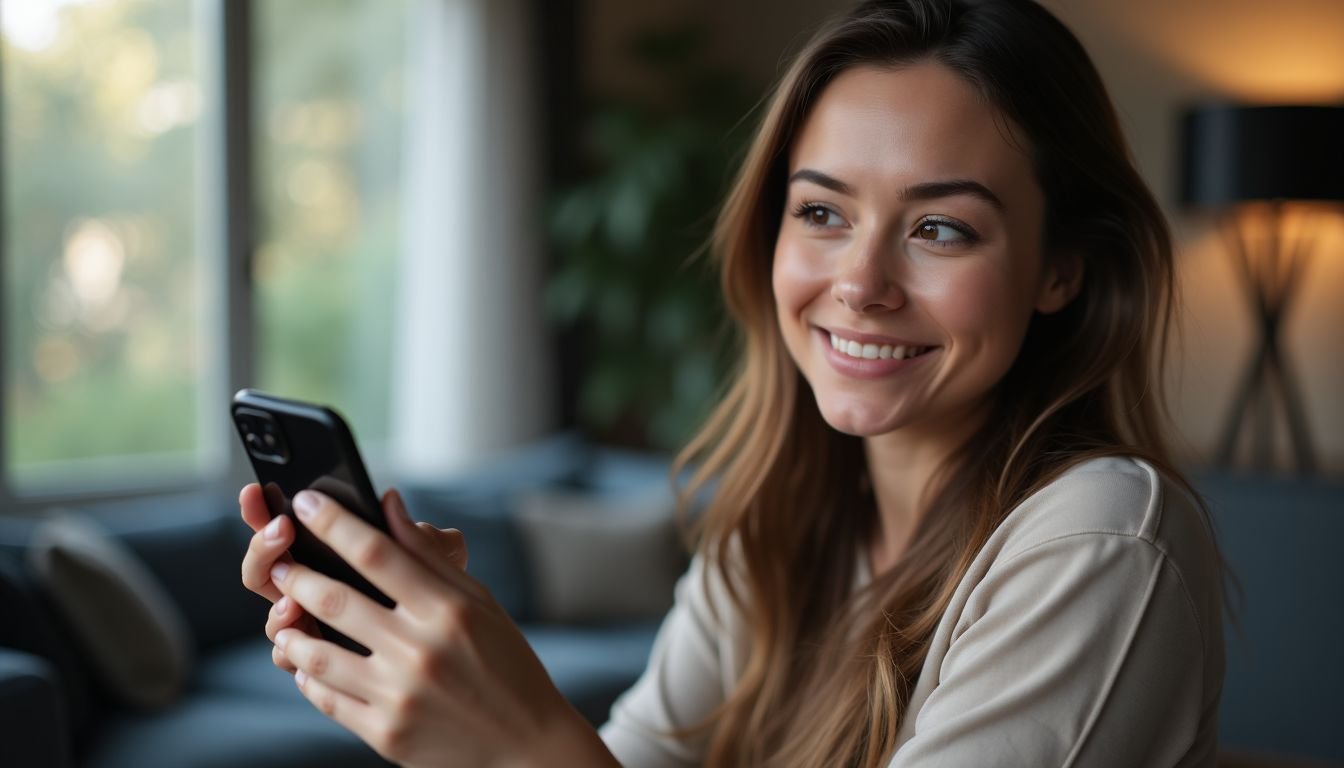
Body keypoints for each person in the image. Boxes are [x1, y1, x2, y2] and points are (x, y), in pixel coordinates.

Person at [239, 0, 1228, 765]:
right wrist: (471, 689)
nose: (861, 285)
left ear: (1063, 269)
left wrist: (522, 742)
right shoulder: (774, 537)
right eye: (822, 213)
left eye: (940, 228)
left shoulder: (1099, 538)